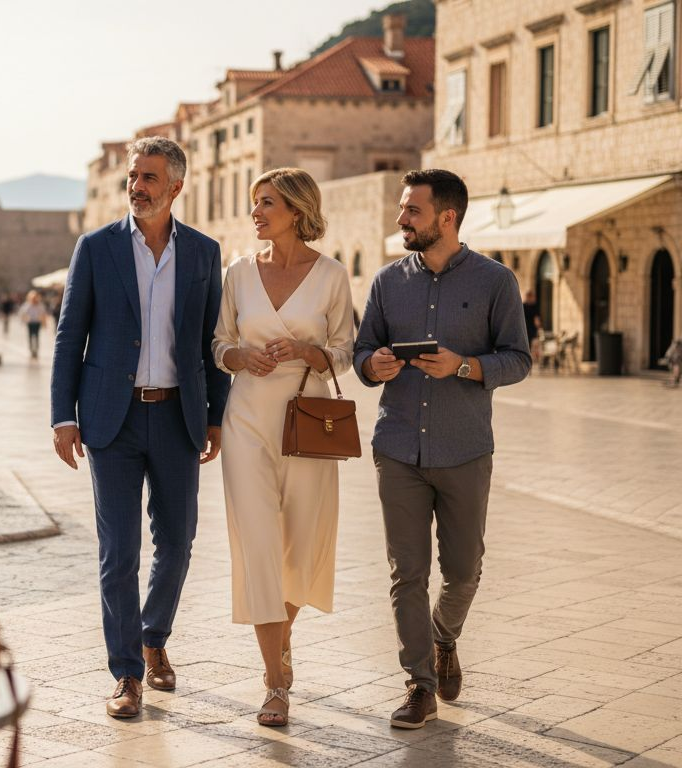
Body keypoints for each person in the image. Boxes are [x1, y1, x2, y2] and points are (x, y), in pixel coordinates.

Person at [51, 136, 229, 719]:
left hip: (178, 415)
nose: (137, 186)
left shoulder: (203, 253)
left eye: (149, 178)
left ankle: (154, 635)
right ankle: (126, 673)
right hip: (112, 418)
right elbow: (69, 334)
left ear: (176, 187)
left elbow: (210, 343)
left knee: (178, 541)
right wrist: (63, 414)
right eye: (133, 176)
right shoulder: (96, 247)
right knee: (119, 551)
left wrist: (215, 416)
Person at [354, 169, 530, 729]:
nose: (400, 219)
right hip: (398, 447)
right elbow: (362, 353)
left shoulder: (496, 282)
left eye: (411, 211)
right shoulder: (387, 281)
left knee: (463, 570)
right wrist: (371, 365)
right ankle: (419, 685)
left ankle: (442, 638)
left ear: (446, 218)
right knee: (407, 574)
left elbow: (520, 359)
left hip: (465, 448)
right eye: (403, 209)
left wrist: (467, 365)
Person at [212, 168, 354, 728]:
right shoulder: (238, 273)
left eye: (265, 202)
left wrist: (308, 350)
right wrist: (240, 358)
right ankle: (275, 682)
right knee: (258, 545)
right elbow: (219, 341)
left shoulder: (333, 276)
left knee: (301, 542)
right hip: (247, 418)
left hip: (308, 420)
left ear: (295, 210)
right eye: (254, 203)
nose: (255, 212)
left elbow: (346, 351)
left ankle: (282, 637)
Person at [19, 289, 48, 359]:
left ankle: (36, 350)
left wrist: (44, 323)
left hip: (37, 322)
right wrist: (25, 319)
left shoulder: (40, 305)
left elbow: (43, 314)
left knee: (37, 336)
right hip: (30, 323)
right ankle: (31, 350)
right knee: (30, 336)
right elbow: (22, 313)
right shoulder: (27, 305)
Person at [522, 289, 542, 364]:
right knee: (531, 348)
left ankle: (527, 363)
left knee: (528, 348)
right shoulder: (534, 307)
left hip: (525, 330)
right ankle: (529, 363)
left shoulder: (523, 306)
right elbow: (537, 321)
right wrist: (539, 328)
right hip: (530, 331)